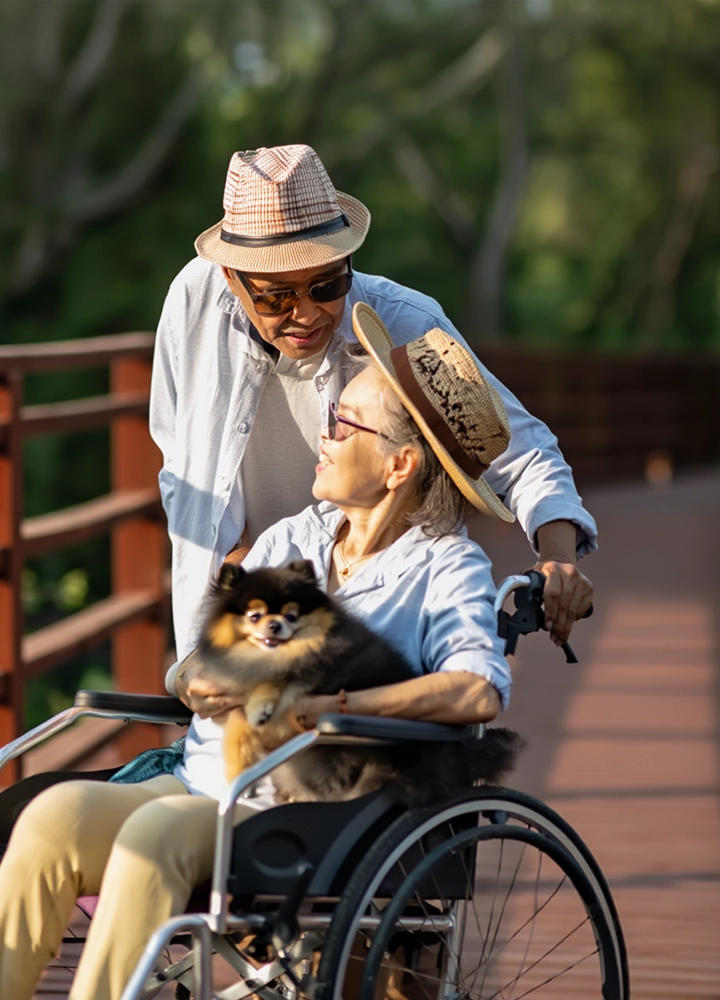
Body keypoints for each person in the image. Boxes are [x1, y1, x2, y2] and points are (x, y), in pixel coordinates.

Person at [1, 311, 516, 1000]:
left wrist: (331, 706)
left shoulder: (446, 568)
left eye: (344, 424)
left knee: (155, 834)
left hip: (309, 807)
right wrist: (197, 679)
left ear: (400, 464)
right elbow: (203, 658)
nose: (324, 436)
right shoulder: (290, 540)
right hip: (203, 780)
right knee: (52, 817)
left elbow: (478, 689)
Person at [151, 143, 596, 718]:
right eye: (277, 297)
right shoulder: (193, 304)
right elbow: (178, 449)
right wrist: (238, 565)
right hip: (256, 591)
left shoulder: (405, 325)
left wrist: (559, 561)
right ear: (231, 278)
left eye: (326, 286)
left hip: (382, 586)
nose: (306, 314)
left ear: (348, 263)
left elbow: (520, 449)